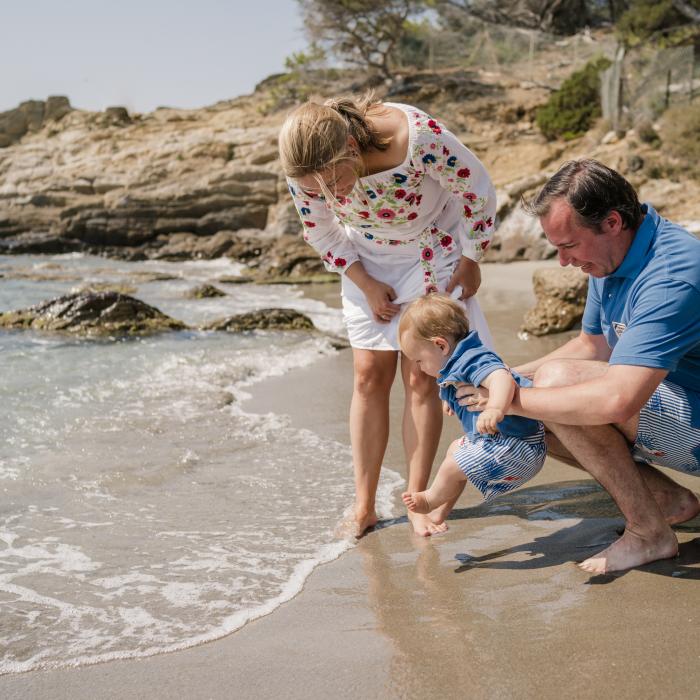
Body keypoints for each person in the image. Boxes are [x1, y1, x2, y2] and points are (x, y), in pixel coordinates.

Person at [457, 159, 700, 573]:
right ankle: (666, 502)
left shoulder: (673, 274)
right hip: (679, 406)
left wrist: (510, 401)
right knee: (540, 397)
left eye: (569, 246)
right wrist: (499, 380)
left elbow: (617, 400)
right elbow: (592, 345)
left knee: (552, 390)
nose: (563, 262)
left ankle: (648, 533)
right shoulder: (611, 258)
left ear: (611, 222)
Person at [278, 94, 497, 537]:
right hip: (365, 257)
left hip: (431, 248)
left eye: (334, 181)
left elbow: (477, 192)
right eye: (315, 188)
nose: (327, 194)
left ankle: (418, 498)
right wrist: (365, 282)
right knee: (367, 376)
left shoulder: (417, 139)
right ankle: (364, 506)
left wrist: (472, 258)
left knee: (421, 375)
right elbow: (319, 230)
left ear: (352, 149)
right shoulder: (305, 169)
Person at [398, 294, 546, 518]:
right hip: (500, 443)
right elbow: (454, 386)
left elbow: (500, 377)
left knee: (452, 466)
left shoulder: (472, 358)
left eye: (419, 360)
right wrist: (450, 401)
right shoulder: (453, 363)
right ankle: (440, 512)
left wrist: (496, 408)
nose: (419, 368)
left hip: (518, 447)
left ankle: (430, 500)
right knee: (454, 451)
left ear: (441, 345)